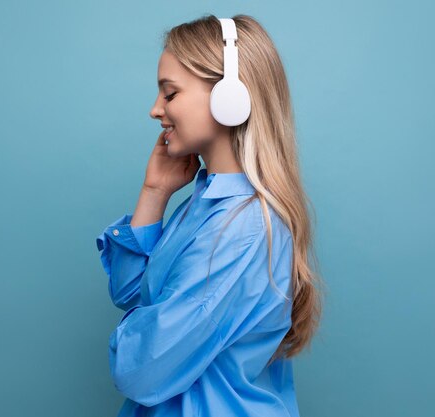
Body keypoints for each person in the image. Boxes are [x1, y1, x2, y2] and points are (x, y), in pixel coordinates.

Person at [96, 14, 324, 417]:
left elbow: (141, 370)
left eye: (170, 94)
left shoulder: (242, 227)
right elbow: (131, 294)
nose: (155, 110)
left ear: (229, 97)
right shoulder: (205, 203)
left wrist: (139, 334)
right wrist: (154, 193)